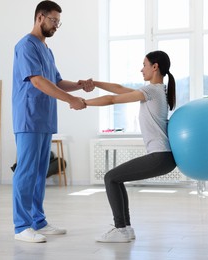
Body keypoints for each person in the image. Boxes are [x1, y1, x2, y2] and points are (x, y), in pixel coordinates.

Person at [12, 0, 94, 243]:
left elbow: (55, 81)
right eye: (53, 21)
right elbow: (37, 81)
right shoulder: (26, 45)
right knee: (26, 172)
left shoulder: (47, 50)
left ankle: (38, 221)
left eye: (59, 22)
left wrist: (79, 85)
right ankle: (21, 226)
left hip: (45, 118)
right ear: (40, 17)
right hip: (28, 117)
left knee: (39, 173)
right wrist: (71, 99)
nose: (56, 26)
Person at [82, 50, 177, 243]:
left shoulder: (152, 91)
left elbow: (112, 99)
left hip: (160, 156)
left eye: (144, 64)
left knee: (110, 178)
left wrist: (83, 103)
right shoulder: (157, 90)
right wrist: (96, 83)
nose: (141, 69)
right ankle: (125, 229)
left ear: (155, 66)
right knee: (116, 179)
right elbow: (119, 89)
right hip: (164, 157)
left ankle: (121, 229)